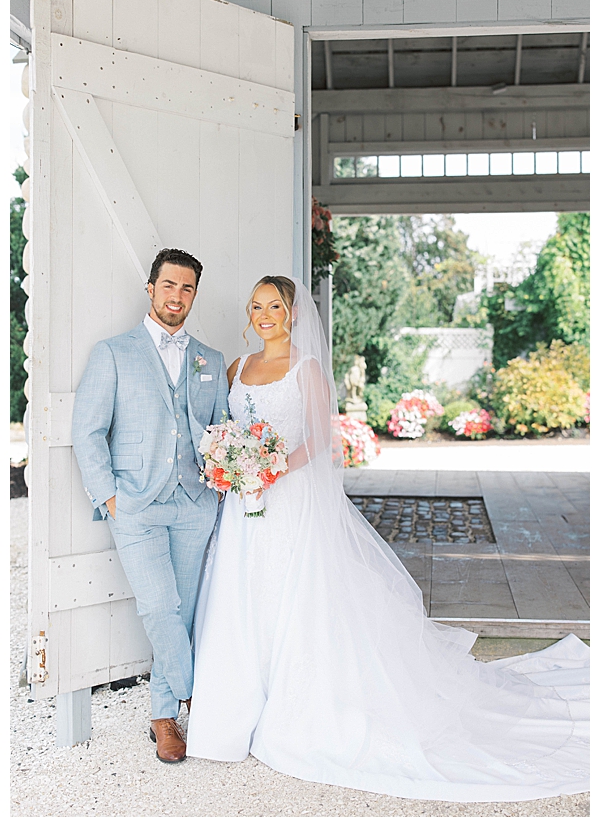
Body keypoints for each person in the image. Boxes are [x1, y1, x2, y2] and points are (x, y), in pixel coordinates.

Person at [186, 275, 589, 802]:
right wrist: (231, 465)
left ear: (293, 314)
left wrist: (271, 468)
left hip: (290, 497)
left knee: (292, 593)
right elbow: (227, 430)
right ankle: (236, 705)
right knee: (243, 593)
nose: (265, 315)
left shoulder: (307, 369)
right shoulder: (237, 368)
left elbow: (316, 437)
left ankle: (294, 703)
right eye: (257, 305)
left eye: (276, 306)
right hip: (244, 504)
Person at [72, 248, 228, 764]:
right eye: (169, 286)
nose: (177, 297)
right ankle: (193, 690)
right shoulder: (113, 352)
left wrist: (223, 480)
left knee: (182, 612)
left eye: (186, 289)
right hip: (135, 504)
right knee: (159, 607)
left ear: (194, 295)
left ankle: (164, 717)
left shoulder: (211, 359)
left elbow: (222, 431)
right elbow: (87, 431)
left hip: (194, 503)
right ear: (151, 288)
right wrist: (111, 498)